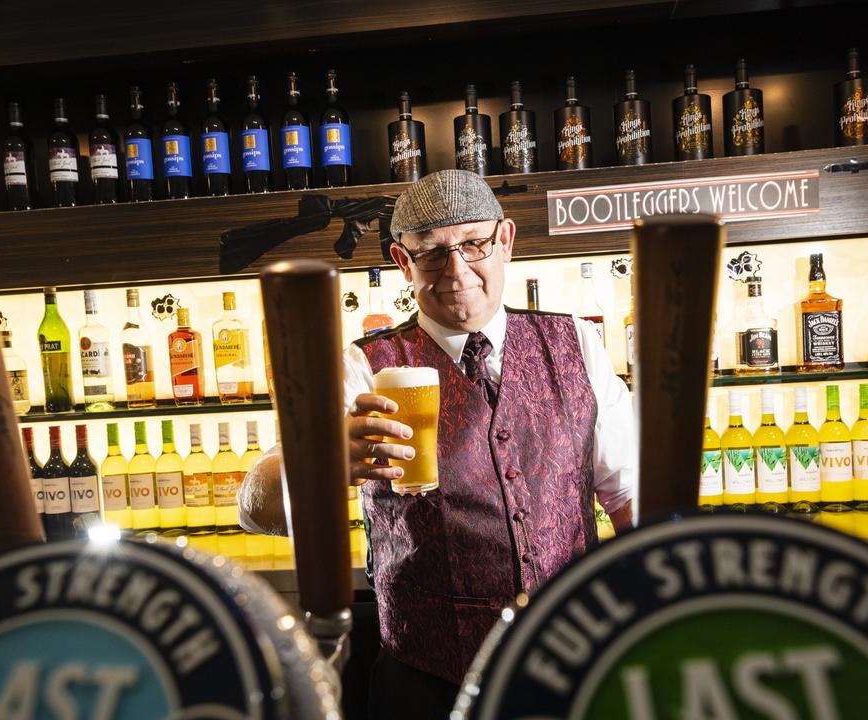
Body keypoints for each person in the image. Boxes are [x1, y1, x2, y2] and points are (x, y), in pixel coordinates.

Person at [240, 169, 634, 719]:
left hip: (571, 667)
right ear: (403, 262)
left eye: (473, 243)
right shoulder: (362, 366)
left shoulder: (576, 344)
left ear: (505, 241)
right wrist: (322, 464)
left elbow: (631, 498)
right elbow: (256, 508)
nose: (457, 270)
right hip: (424, 683)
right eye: (432, 253)